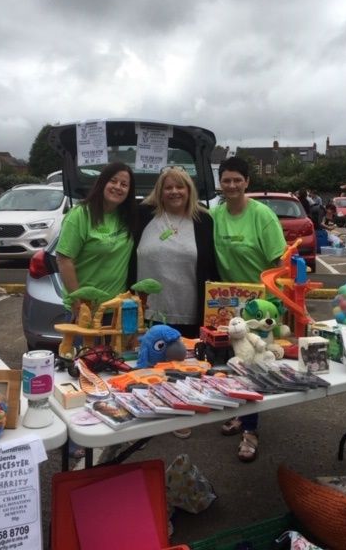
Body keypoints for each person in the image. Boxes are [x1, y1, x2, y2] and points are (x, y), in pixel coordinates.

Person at [56, 162, 138, 457]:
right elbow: (64, 258)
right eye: (113, 181)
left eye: (124, 184)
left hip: (114, 312)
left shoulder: (127, 218)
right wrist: (78, 302)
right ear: (102, 183)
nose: (118, 187)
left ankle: (109, 424)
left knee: (112, 372)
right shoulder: (81, 215)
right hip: (86, 312)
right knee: (80, 374)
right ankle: (76, 439)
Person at [211, 157, 286, 462]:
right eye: (226, 180)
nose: (231, 185)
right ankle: (242, 414)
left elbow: (280, 264)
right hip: (227, 302)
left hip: (259, 306)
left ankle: (251, 430)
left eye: (236, 180)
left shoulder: (262, 216)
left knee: (253, 366)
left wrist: (279, 305)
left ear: (246, 182)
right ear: (220, 183)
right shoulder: (216, 215)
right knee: (232, 364)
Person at [135, 166, 219, 439]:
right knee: (149, 360)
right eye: (168, 187)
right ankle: (147, 409)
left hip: (188, 306)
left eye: (179, 187)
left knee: (183, 362)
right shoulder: (142, 216)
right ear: (159, 191)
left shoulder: (203, 220)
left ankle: (182, 411)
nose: (174, 192)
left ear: (189, 190)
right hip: (147, 308)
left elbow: (211, 262)